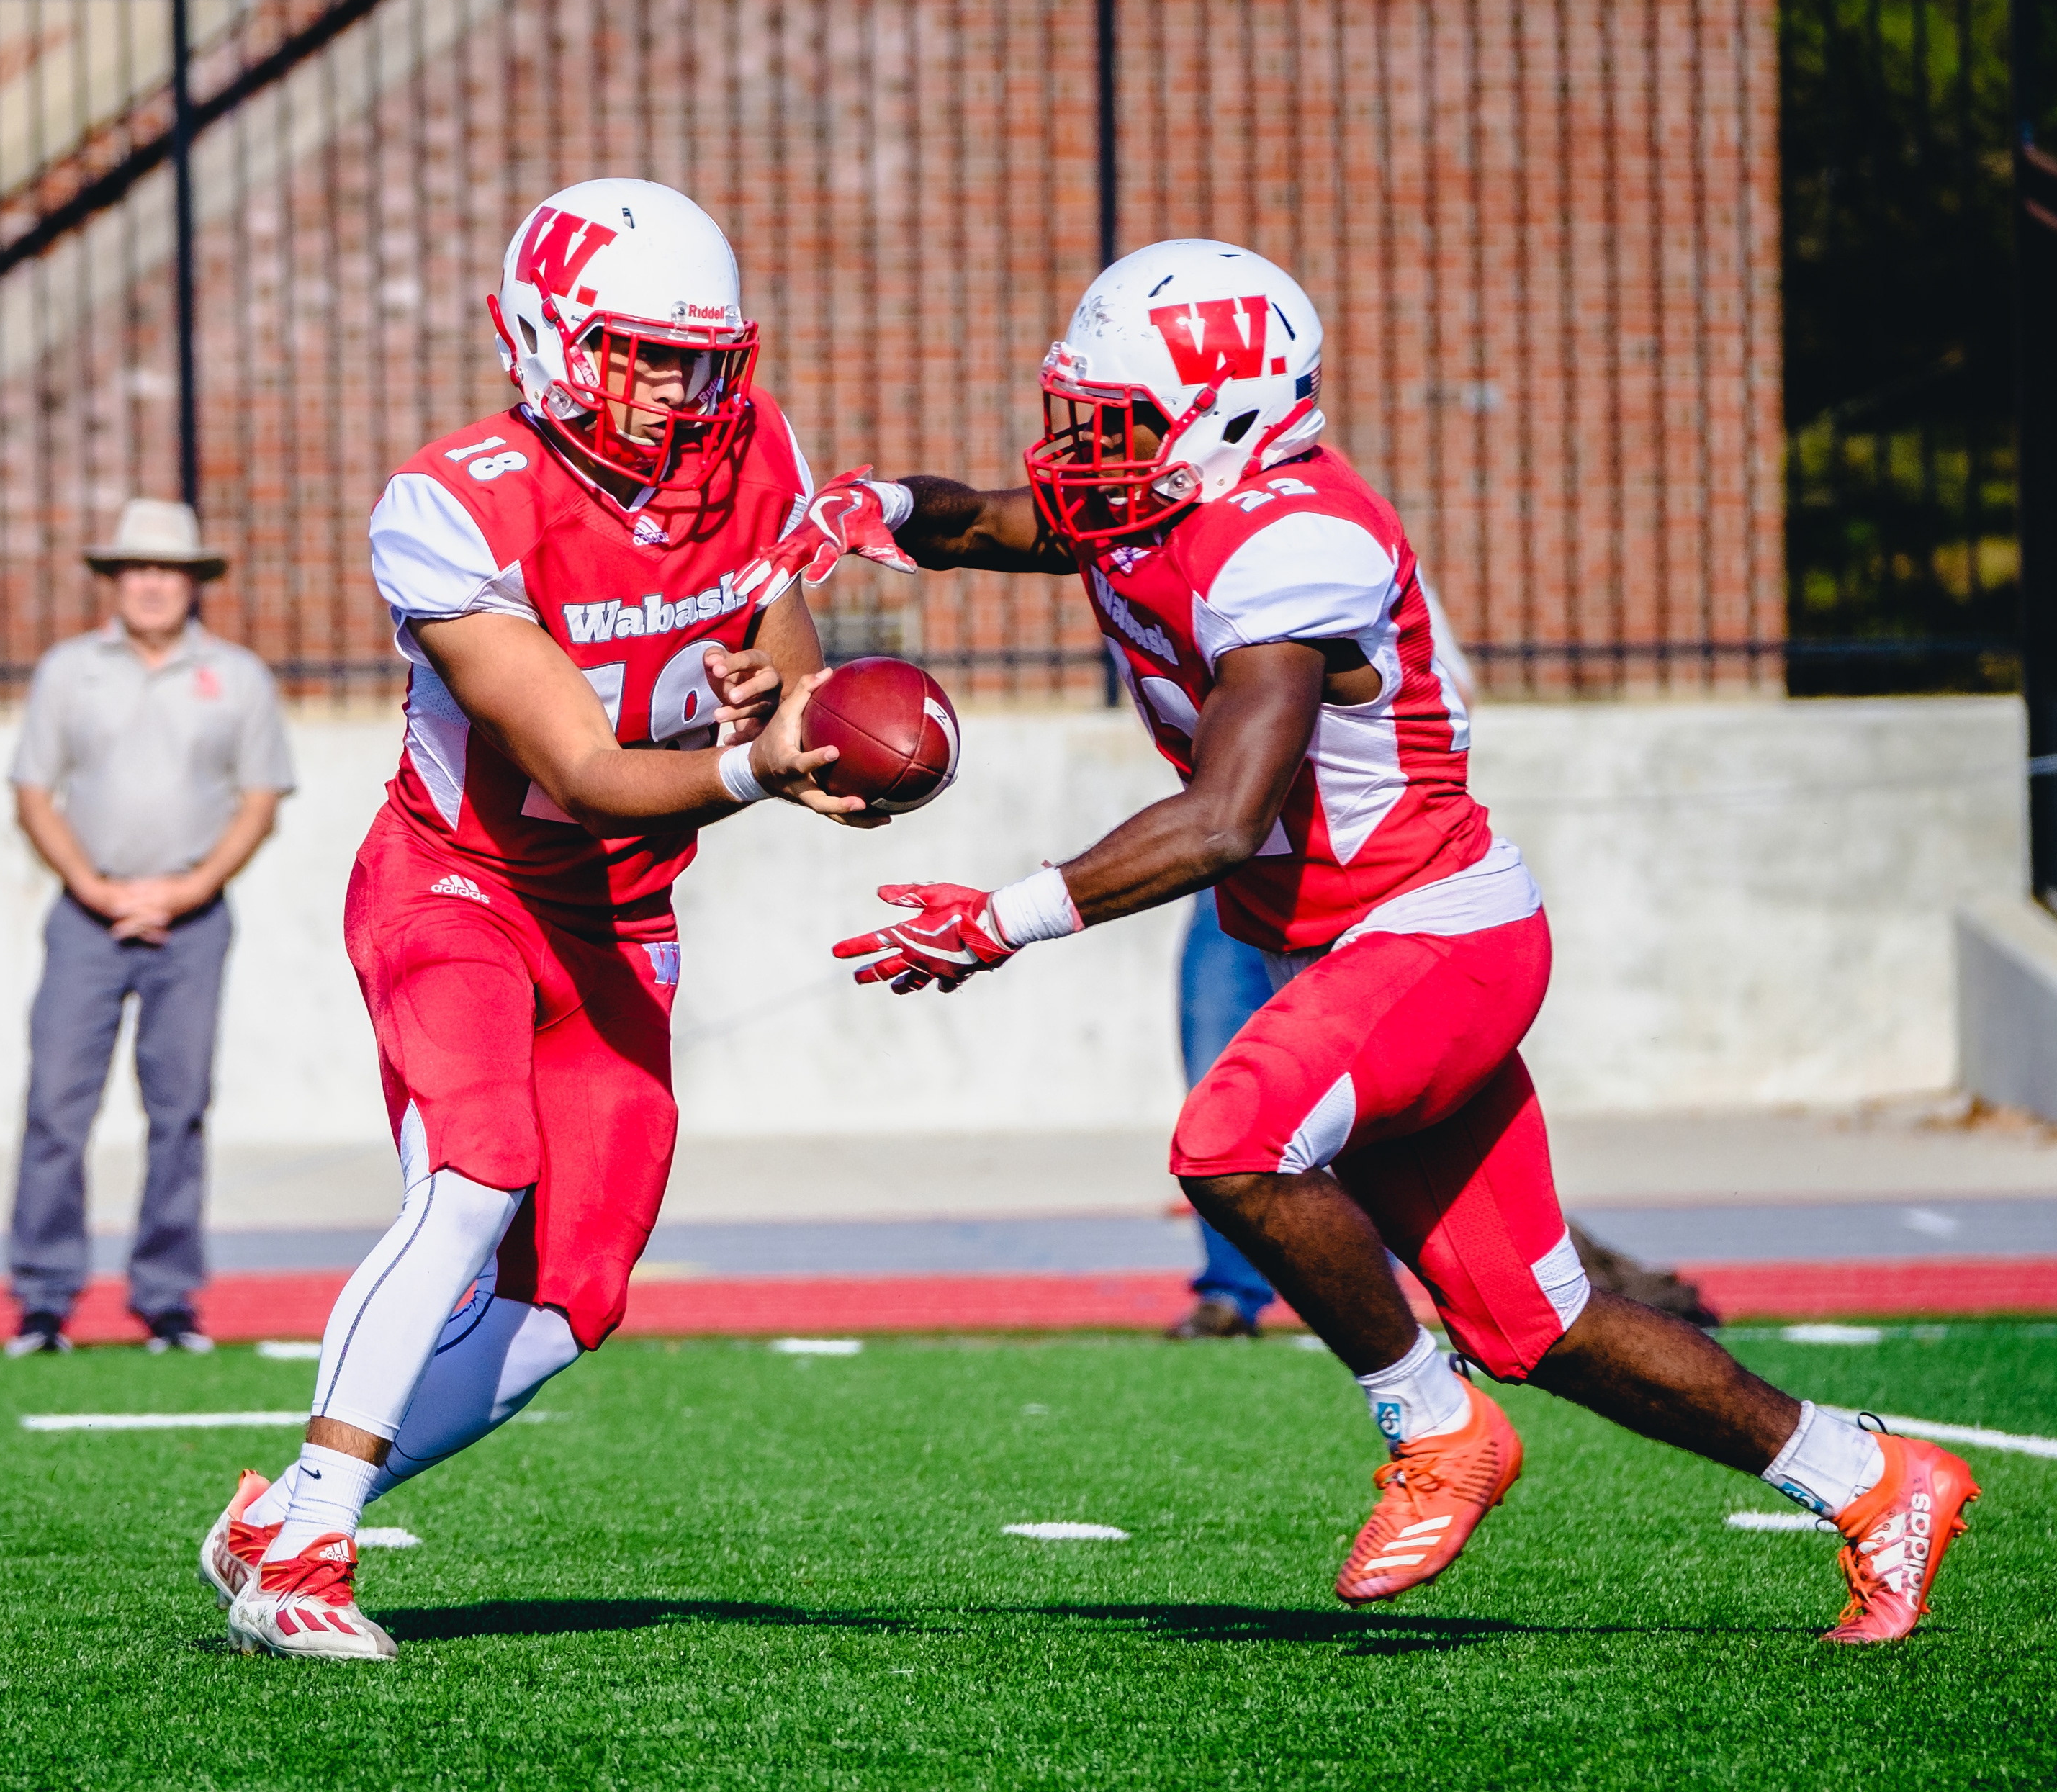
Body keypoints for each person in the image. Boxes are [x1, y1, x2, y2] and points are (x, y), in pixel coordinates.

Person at [811, 240, 1979, 1644]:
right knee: (1540, 1319)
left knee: (1231, 1140)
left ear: (1229, 415)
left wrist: (1001, 916)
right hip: (1366, 945)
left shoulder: (1295, 540)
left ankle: (1434, 1428)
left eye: (1115, 420)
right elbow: (993, 522)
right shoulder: (1164, 492)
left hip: (1432, 932)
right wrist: (877, 507)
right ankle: (1873, 1478)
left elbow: (1223, 819)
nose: (1083, 451)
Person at [204, 179, 886, 1661]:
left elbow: (774, 605)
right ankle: (311, 1545)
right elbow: (581, 767)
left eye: (697, 358)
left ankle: (281, 1508)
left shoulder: (755, 447)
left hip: (625, 918)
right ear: (544, 334)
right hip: (463, 884)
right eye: (637, 351)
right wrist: (756, 767)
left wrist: (782, 687)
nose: (671, 389)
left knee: (577, 1295)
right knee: (476, 1172)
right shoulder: (453, 502)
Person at [3, 498, 295, 1358]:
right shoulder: (68, 670)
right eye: (137, 569)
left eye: (168, 569)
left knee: (180, 1107)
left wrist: (187, 888)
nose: (153, 584)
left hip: (193, 918)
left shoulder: (238, 676)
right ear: (115, 580)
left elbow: (260, 800)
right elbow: (32, 793)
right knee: (58, 1104)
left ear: (193, 581)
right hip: (85, 918)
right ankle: (43, 1300)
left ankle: (168, 1299)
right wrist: (93, 886)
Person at [1172, 901, 1279, 1337]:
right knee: (1217, 1092)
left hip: (1362, 871)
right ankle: (1232, 1291)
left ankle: (1367, 1284)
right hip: (1234, 874)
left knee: (1373, 1077)